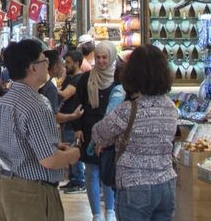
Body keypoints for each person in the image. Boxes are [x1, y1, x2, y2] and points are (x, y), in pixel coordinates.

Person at [0, 40, 81, 221]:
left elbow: (2, 149)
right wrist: (73, 155)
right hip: (31, 192)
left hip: (5, 186)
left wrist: (53, 146)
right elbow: (49, 160)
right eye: (44, 61)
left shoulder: (3, 103)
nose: (47, 65)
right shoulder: (36, 105)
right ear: (33, 68)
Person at [92, 45, 178, 221]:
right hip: (166, 184)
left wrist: (115, 138)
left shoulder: (128, 109)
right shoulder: (170, 107)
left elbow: (98, 133)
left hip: (135, 185)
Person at [72, 40, 118, 221]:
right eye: (98, 57)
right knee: (92, 171)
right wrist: (77, 128)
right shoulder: (86, 78)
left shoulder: (118, 78)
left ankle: (110, 211)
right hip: (89, 129)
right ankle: (96, 214)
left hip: (111, 131)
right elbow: (79, 104)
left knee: (108, 169)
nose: (101, 61)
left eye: (104, 57)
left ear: (111, 57)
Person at [58, 51, 86, 194]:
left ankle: (79, 181)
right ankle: (73, 179)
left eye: (68, 62)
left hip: (72, 120)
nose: (65, 65)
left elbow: (64, 95)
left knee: (74, 150)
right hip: (67, 119)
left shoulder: (78, 79)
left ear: (76, 63)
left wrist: (49, 89)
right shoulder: (70, 78)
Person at [39, 51, 62, 115]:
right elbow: (53, 116)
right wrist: (73, 115)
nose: (62, 68)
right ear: (55, 68)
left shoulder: (35, 82)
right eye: (61, 64)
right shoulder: (51, 88)